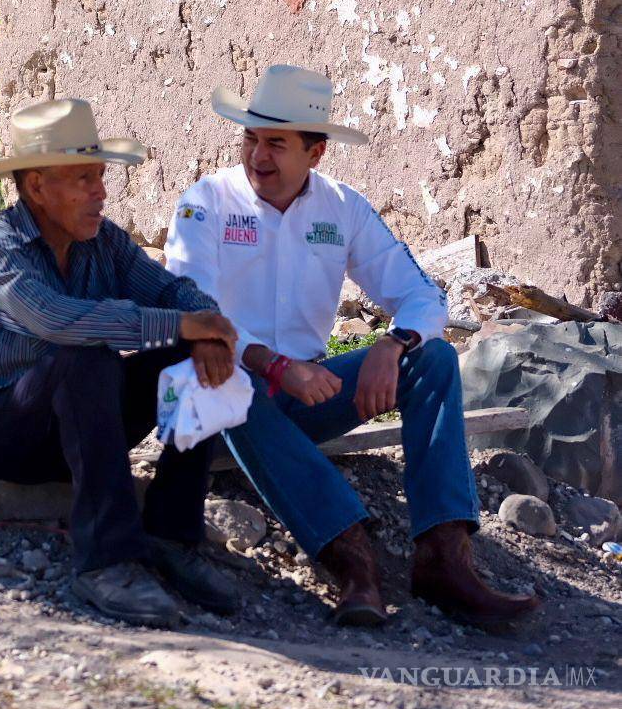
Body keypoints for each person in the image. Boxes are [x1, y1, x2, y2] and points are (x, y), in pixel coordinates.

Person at [164, 65, 541, 627]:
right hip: (217, 402)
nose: (257, 156)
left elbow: (422, 296)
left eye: (276, 144)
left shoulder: (343, 207)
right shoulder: (206, 202)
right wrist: (273, 364)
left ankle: (444, 558)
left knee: (433, 357)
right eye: (251, 138)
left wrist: (393, 344)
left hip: (306, 393)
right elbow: (190, 306)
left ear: (315, 153)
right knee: (225, 379)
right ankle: (354, 562)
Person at [0, 97, 240, 628]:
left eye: (101, 175)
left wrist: (206, 329)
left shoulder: (105, 241)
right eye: (84, 178)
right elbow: (57, 320)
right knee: (85, 355)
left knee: (187, 356)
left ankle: (171, 535)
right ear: (38, 187)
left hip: (82, 424)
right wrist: (183, 324)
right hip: (7, 435)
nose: (100, 191)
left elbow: (170, 290)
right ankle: (106, 561)